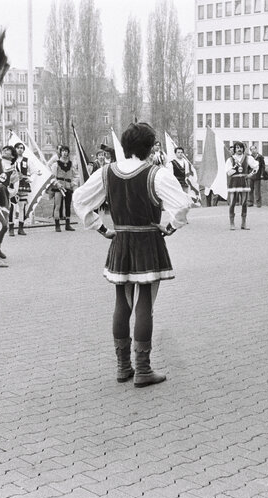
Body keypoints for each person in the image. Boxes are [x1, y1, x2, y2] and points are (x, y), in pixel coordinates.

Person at [72, 122, 192, 388]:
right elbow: (183, 204)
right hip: (148, 241)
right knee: (145, 304)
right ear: (150, 148)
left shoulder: (106, 172)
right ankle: (143, 370)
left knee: (121, 303)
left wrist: (102, 228)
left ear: (124, 147)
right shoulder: (156, 174)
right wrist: (170, 227)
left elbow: (79, 200)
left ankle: (123, 366)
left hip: (121, 240)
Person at [226, 141, 259, 230]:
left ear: (243, 149)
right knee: (232, 203)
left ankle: (243, 223)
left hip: (244, 183)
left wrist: (251, 174)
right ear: (235, 149)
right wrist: (235, 167)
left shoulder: (247, 158)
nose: (239, 149)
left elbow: (256, 166)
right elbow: (228, 173)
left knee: (244, 203)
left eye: (240, 147)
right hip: (234, 183)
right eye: (237, 147)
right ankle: (232, 223)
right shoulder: (230, 159)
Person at [50, 145, 77, 232]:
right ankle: (57, 225)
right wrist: (57, 184)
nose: (65, 153)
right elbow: (52, 177)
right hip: (59, 187)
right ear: (60, 152)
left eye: (66, 151)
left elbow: (76, 175)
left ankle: (67, 224)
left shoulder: (71, 164)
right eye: (63, 151)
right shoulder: (56, 164)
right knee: (57, 206)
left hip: (68, 186)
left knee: (68, 206)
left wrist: (73, 183)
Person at [9, 142, 31, 236]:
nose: (20, 149)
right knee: (13, 207)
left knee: (22, 207)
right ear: (15, 149)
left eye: (22, 148)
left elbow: (32, 172)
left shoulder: (26, 160)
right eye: (18, 148)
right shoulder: (10, 161)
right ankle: (11, 228)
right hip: (13, 186)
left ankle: (21, 228)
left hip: (23, 186)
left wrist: (29, 178)